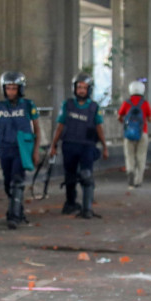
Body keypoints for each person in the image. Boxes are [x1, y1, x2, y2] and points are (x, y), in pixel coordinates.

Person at [0, 71, 40, 228]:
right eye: (8, 88)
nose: (11, 91)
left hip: (21, 150)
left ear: (20, 89)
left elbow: (37, 129)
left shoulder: (29, 105)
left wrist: (36, 151)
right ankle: (18, 209)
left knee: (17, 181)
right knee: (9, 184)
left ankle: (13, 217)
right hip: (5, 149)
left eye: (14, 88)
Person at [48, 72, 109, 218]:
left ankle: (87, 208)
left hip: (87, 146)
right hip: (69, 145)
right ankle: (70, 203)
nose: (81, 90)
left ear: (89, 90)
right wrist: (53, 145)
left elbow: (99, 128)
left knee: (86, 175)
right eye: (79, 87)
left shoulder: (94, 107)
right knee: (70, 177)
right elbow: (60, 125)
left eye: (84, 87)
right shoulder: (67, 105)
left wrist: (105, 146)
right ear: (74, 88)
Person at [117, 79, 151, 188]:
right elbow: (150, 119)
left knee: (129, 156)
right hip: (143, 133)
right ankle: (138, 180)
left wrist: (126, 124)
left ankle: (130, 171)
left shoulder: (126, 103)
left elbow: (119, 116)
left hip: (129, 134)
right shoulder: (145, 103)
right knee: (141, 156)